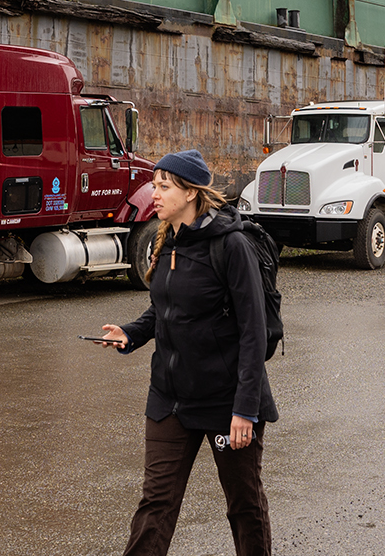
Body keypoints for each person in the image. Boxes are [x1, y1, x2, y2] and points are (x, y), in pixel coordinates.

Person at [96, 149, 277, 556]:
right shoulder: (169, 240)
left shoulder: (231, 246)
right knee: (155, 504)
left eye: (164, 186)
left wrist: (245, 409)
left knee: (244, 505)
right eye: (154, 185)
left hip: (225, 402)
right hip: (169, 399)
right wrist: (131, 333)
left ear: (191, 193)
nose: (154, 193)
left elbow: (253, 332)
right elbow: (163, 308)